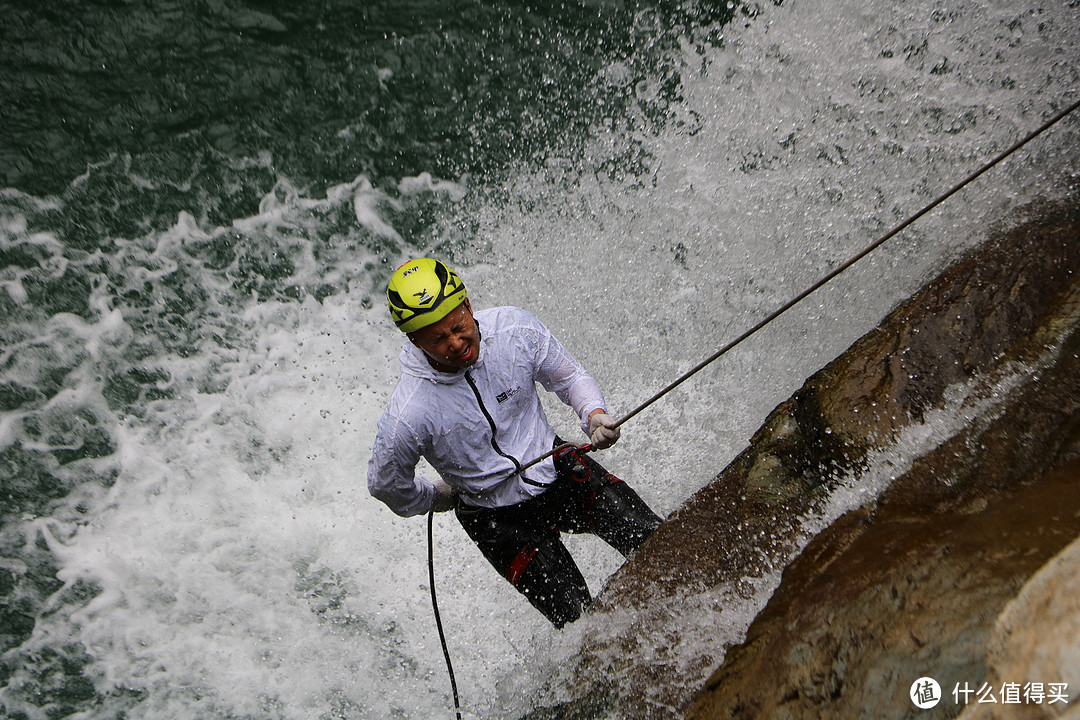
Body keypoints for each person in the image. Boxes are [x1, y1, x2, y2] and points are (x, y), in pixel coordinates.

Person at [367, 258, 663, 627]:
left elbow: (570, 377)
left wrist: (594, 415)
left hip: (556, 469)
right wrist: (435, 498)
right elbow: (384, 484)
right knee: (583, 622)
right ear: (414, 340)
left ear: (468, 306)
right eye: (439, 340)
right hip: (496, 519)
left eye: (459, 327)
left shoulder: (515, 329)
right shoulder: (407, 413)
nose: (456, 343)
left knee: (658, 542)